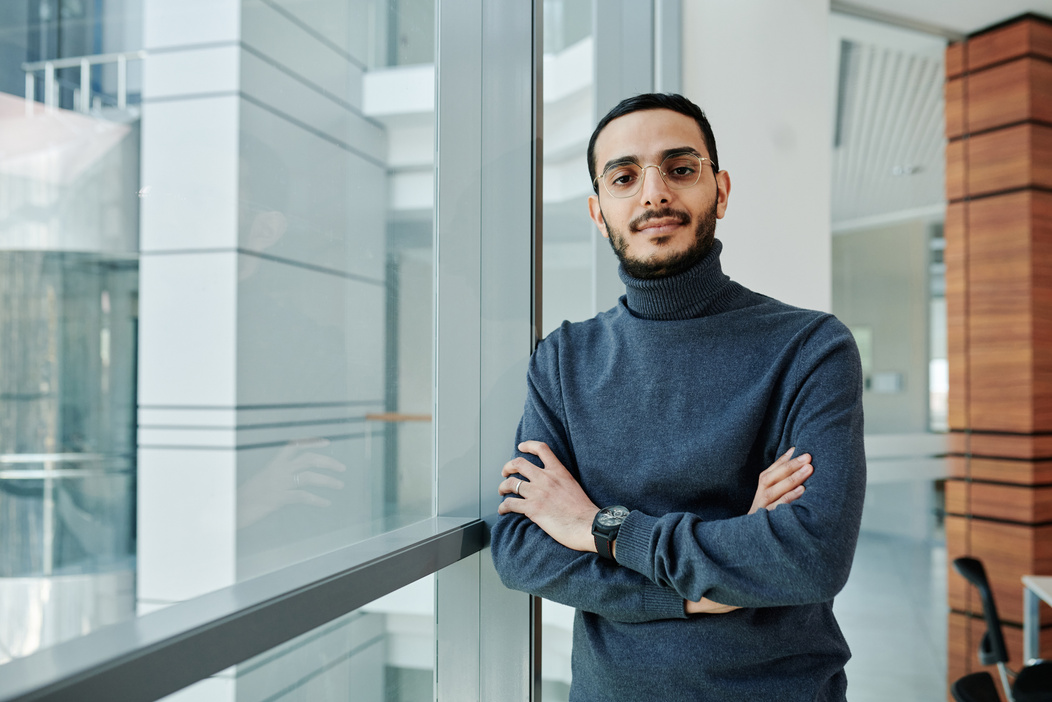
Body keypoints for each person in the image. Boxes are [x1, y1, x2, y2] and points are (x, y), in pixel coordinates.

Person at [489, 93, 866, 702]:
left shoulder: (809, 347)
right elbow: (521, 550)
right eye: (624, 176)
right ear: (598, 210)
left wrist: (597, 526)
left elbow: (810, 554)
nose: (653, 193)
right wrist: (704, 585)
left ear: (719, 190)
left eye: (680, 169)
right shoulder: (562, 358)